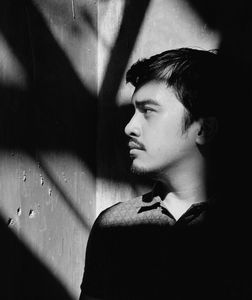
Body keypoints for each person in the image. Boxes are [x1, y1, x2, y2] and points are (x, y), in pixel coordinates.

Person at [80, 48, 227, 300]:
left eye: (148, 111)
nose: (129, 127)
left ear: (203, 129)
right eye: (133, 112)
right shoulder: (114, 224)